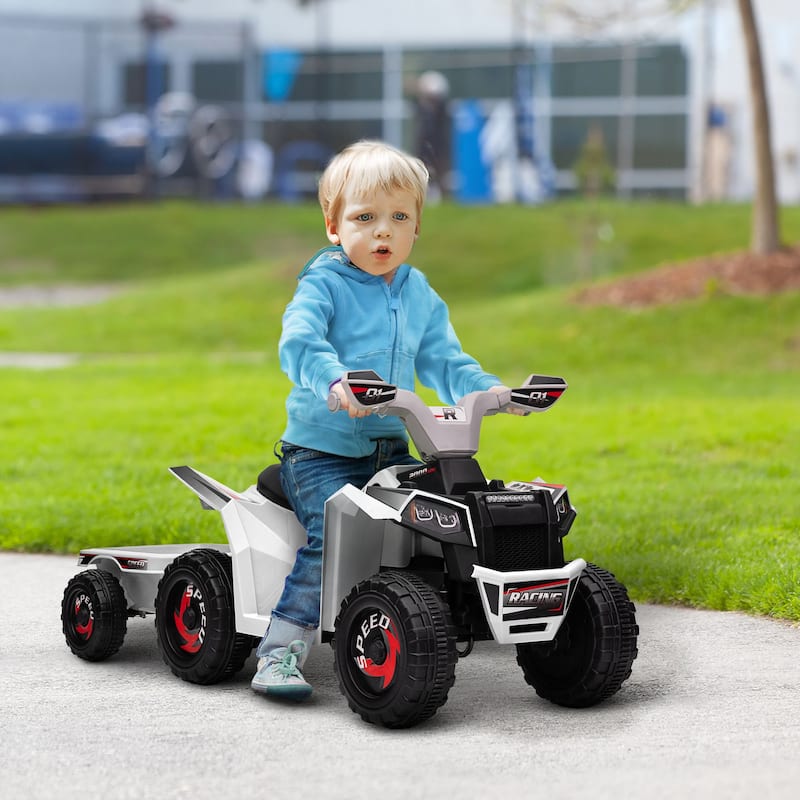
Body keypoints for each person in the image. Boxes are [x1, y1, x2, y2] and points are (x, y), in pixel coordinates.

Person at [251, 140, 509, 700]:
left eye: (399, 218)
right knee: (334, 538)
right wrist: (334, 381)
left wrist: (487, 390)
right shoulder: (324, 283)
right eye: (364, 218)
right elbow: (299, 341)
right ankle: (279, 651)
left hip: (394, 447)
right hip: (321, 452)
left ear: (417, 227)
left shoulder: (418, 293)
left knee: (446, 520)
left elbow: (445, 359)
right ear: (333, 226)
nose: (382, 232)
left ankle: (432, 625)